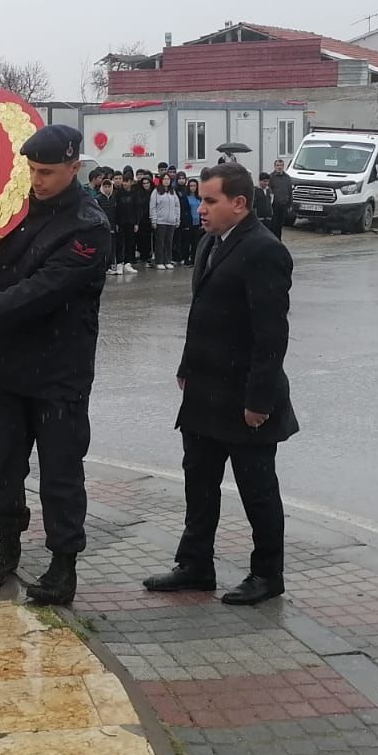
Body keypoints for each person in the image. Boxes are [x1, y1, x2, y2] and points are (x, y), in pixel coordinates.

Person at [0, 123, 111, 605]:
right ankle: (4, 546)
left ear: (75, 168)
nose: (37, 181)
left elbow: (43, 290)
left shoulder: (89, 226)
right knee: (2, 468)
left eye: (48, 172)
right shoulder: (16, 211)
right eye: (32, 171)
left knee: (59, 474)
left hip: (58, 372)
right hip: (4, 368)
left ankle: (62, 565)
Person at [144, 162, 297, 606]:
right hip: (205, 392)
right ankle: (195, 564)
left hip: (245, 396)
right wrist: (187, 366)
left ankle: (267, 574)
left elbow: (271, 335)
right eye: (201, 199)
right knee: (200, 483)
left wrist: (259, 399)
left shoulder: (264, 250)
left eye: (210, 201)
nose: (201, 209)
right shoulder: (213, 243)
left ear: (239, 203)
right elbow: (204, 315)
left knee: (257, 490)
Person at [150, 174, 179, 269]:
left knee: (169, 242)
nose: (166, 181)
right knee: (160, 242)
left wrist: (177, 219)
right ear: (161, 180)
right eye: (165, 179)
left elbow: (177, 206)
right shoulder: (156, 192)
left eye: (168, 179)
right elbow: (152, 206)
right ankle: (159, 261)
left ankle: (168, 261)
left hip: (171, 221)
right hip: (160, 221)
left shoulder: (172, 192)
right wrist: (153, 219)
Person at [114, 175, 140, 274]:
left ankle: (127, 263)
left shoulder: (134, 193)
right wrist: (116, 222)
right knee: (120, 243)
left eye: (127, 181)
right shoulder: (118, 193)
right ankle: (119, 263)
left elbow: (137, 208)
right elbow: (116, 209)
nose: (125, 183)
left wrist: (136, 223)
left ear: (131, 182)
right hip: (120, 222)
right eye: (124, 181)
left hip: (131, 222)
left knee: (130, 242)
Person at [94, 178, 119, 274]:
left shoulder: (114, 198)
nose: (107, 188)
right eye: (105, 186)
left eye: (109, 186)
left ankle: (111, 265)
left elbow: (115, 213)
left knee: (112, 247)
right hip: (102, 227)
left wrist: (115, 224)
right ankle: (103, 267)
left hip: (112, 226)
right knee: (103, 247)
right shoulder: (98, 198)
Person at [268, 159, 293, 239]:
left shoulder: (287, 177)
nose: (279, 167)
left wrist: (290, 204)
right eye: (278, 165)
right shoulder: (271, 177)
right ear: (274, 166)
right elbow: (269, 190)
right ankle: (273, 240)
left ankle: (279, 240)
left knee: (280, 224)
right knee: (273, 224)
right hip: (274, 205)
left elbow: (290, 191)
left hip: (283, 204)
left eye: (281, 165)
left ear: (283, 166)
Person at [135, 175, 155, 267]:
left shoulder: (154, 192)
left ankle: (150, 256)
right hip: (142, 219)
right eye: (144, 183)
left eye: (147, 183)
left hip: (152, 217)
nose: (146, 185)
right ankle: (144, 256)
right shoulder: (139, 193)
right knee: (143, 238)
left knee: (151, 238)